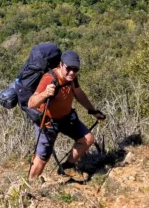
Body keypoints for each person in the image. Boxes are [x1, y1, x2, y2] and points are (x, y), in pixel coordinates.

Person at [28, 50, 105, 181]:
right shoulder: (49, 78)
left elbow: (78, 93)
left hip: (67, 118)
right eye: (68, 69)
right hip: (48, 123)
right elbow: (31, 103)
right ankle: (31, 185)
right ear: (61, 65)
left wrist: (92, 111)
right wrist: (45, 94)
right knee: (42, 157)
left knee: (87, 139)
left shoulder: (72, 78)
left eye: (75, 70)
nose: (72, 73)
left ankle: (67, 167)